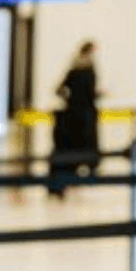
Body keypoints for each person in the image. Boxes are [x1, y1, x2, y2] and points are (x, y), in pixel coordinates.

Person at [48, 41, 102, 198]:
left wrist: (70, 99)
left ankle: (63, 184)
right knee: (81, 150)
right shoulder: (88, 70)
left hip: (72, 115)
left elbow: (59, 89)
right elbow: (89, 93)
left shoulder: (74, 68)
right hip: (84, 118)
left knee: (69, 152)